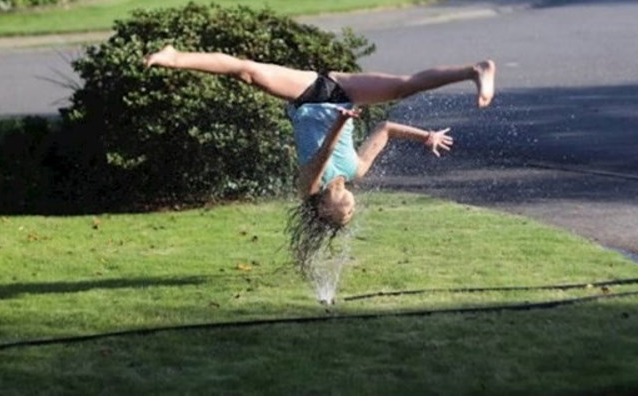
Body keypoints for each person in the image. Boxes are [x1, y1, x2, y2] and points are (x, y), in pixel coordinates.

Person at [144, 45, 495, 270]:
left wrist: (341, 123)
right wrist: (426, 137)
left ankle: (175, 58)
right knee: (405, 86)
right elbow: (385, 129)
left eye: (344, 214)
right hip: (343, 93)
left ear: (324, 209)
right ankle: (473, 70)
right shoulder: (357, 170)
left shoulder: (309, 188)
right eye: (352, 213)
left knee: (246, 72)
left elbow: (325, 153)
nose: (351, 211)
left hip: (309, 95)